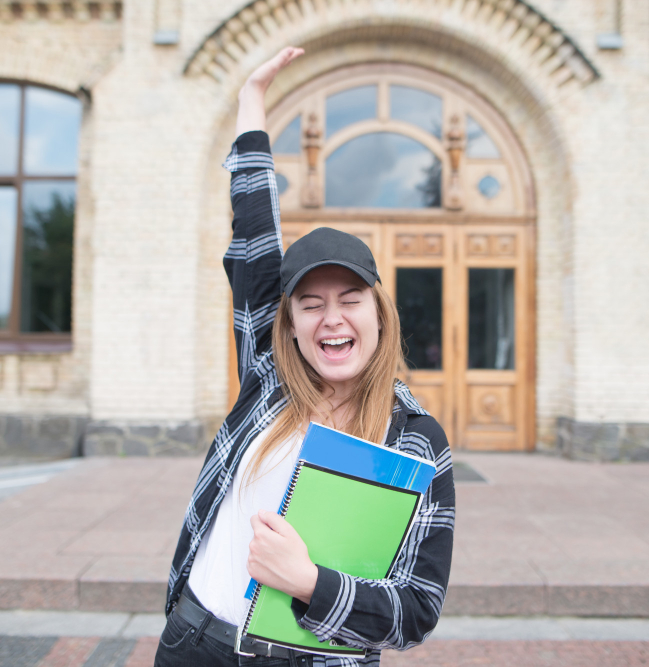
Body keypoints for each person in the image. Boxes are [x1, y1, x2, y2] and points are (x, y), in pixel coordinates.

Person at [155, 46, 455, 667]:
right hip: (195, 642)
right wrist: (251, 102)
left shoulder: (416, 441)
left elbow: (415, 610)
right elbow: (254, 238)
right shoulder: (268, 384)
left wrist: (310, 583)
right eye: (311, 304)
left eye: (350, 299)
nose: (332, 318)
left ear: (379, 315)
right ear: (287, 325)